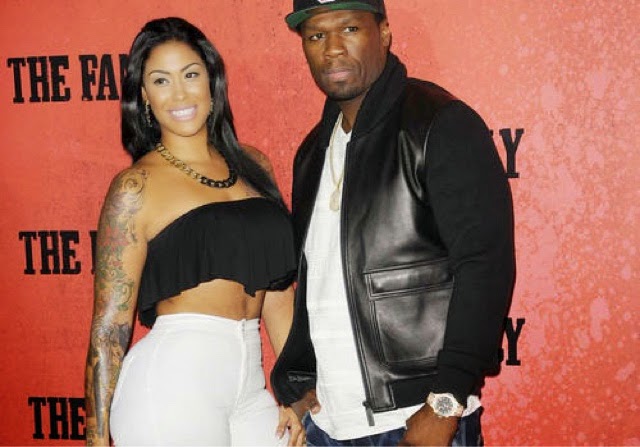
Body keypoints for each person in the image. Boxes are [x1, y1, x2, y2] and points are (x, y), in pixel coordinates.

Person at [271, 1, 516, 446]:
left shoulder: (438, 123)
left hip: (415, 418)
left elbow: (484, 266)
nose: (332, 48)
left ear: (383, 32)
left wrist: (445, 403)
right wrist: (301, 383)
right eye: (316, 35)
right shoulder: (311, 153)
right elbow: (319, 284)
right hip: (330, 424)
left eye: (349, 28)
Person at [84, 17, 305, 446]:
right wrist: (95, 441)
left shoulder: (254, 166)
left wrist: (298, 392)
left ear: (211, 80)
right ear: (144, 95)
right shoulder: (136, 187)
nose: (180, 94)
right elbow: (109, 330)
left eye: (190, 75)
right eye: (161, 81)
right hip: (172, 386)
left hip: (250, 386)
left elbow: (278, 295)